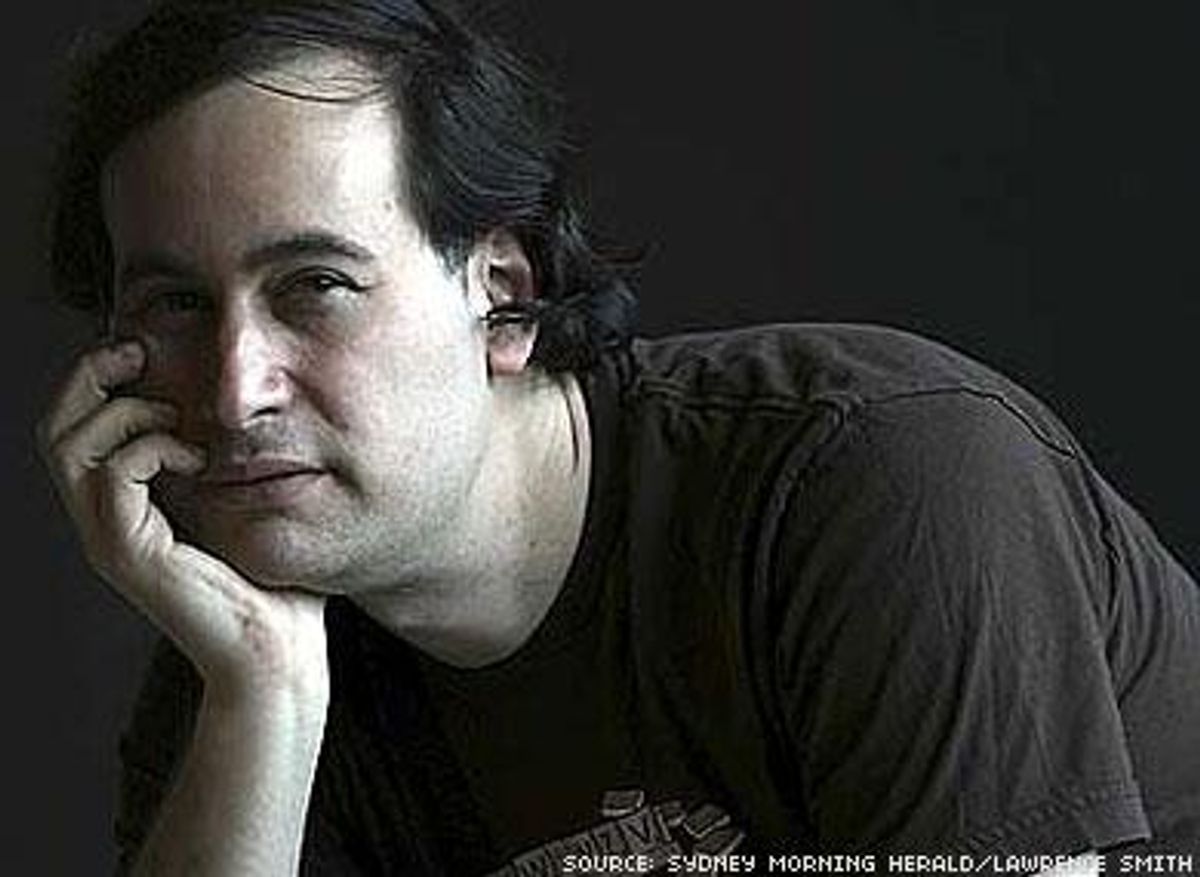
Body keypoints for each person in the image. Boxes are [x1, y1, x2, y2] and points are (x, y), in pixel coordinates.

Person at [38, 0, 1200, 874]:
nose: (235, 390)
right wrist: (263, 701)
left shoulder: (878, 478)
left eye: (316, 286)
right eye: (175, 305)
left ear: (501, 295)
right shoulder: (248, 660)